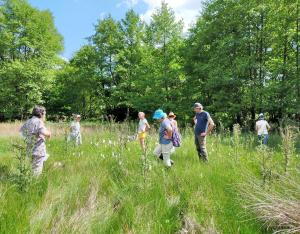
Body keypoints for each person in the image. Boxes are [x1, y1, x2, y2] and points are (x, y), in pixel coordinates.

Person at [20, 106, 51, 176]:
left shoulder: (28, 121)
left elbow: (21, 132)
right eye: (45, 114)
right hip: (38, 149)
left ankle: (32, 182)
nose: (45, 116)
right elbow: (44, 132)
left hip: (30, 148)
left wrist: (29, 138)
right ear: (41, 114)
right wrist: (49, 134)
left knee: (33, 167)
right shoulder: (38, 121)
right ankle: (34, 184)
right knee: (37, 170)